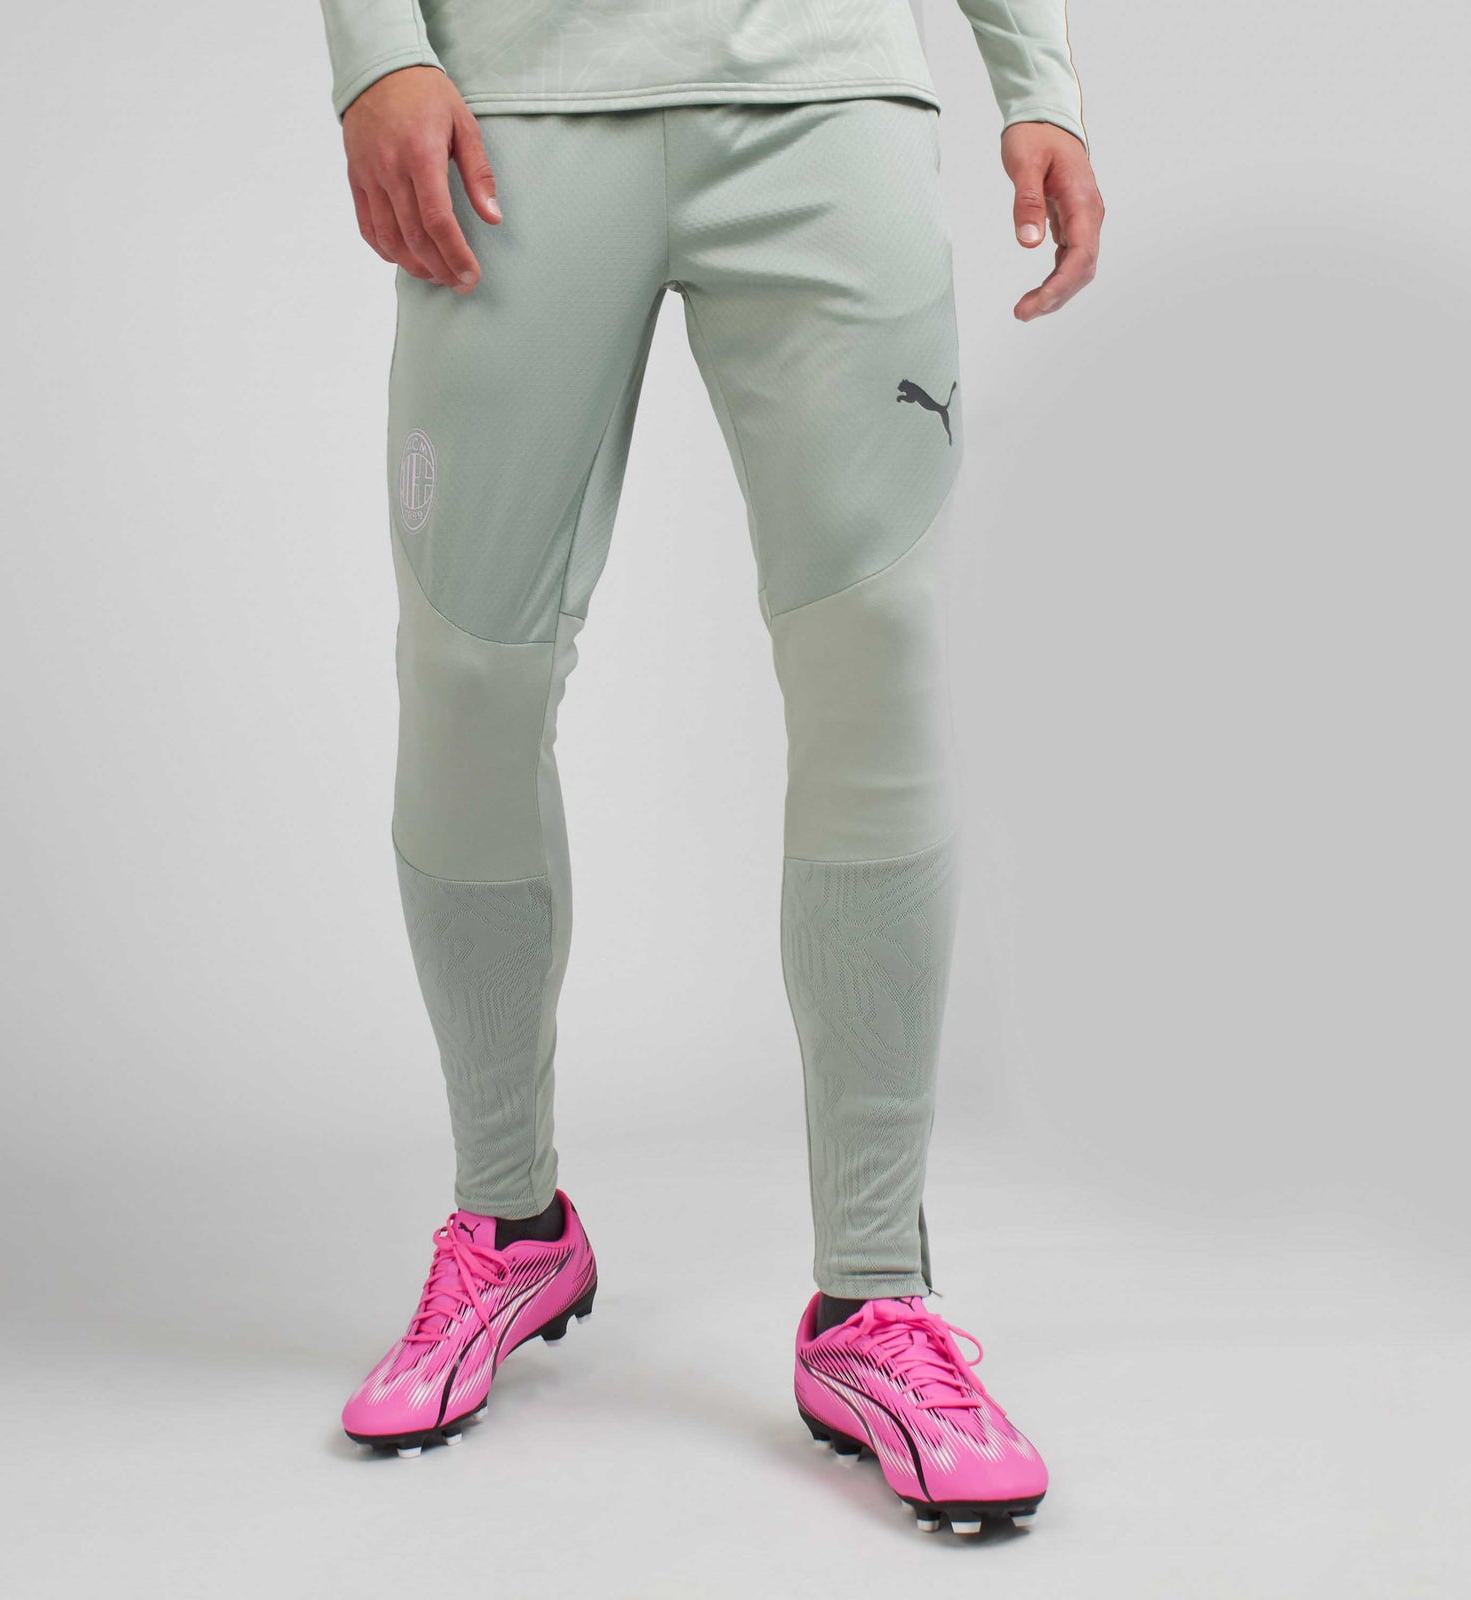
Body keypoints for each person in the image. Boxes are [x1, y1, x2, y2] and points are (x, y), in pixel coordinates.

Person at [317, 0, 1102, 1535]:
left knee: (880, 657)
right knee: (470, 670)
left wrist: (1039, 77)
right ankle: (511, 1222)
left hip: (830, 95)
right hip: (514, 107)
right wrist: (376, 54)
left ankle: (874, 1301)